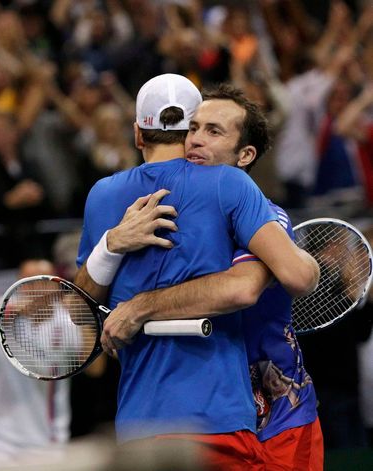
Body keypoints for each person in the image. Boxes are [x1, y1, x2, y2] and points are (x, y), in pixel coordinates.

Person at [74, 73, 318, 468]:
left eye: (214, 131)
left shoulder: (102, 194)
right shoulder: (230, 186)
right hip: (219, 420)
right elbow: (292, 277)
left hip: (164, 427)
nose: (201, 138)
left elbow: (78, 311)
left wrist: (134, 297)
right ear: (186, 131)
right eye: (198, 127)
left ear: (138, 134)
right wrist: (112, 244)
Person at [0, 258, 71, 459]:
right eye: (29, 280)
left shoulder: (69, 319)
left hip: (49, 437)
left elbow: (93, 368)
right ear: (18, 283)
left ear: (55, 285)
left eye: (42, 280)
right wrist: (8, 313)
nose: (36, 287)